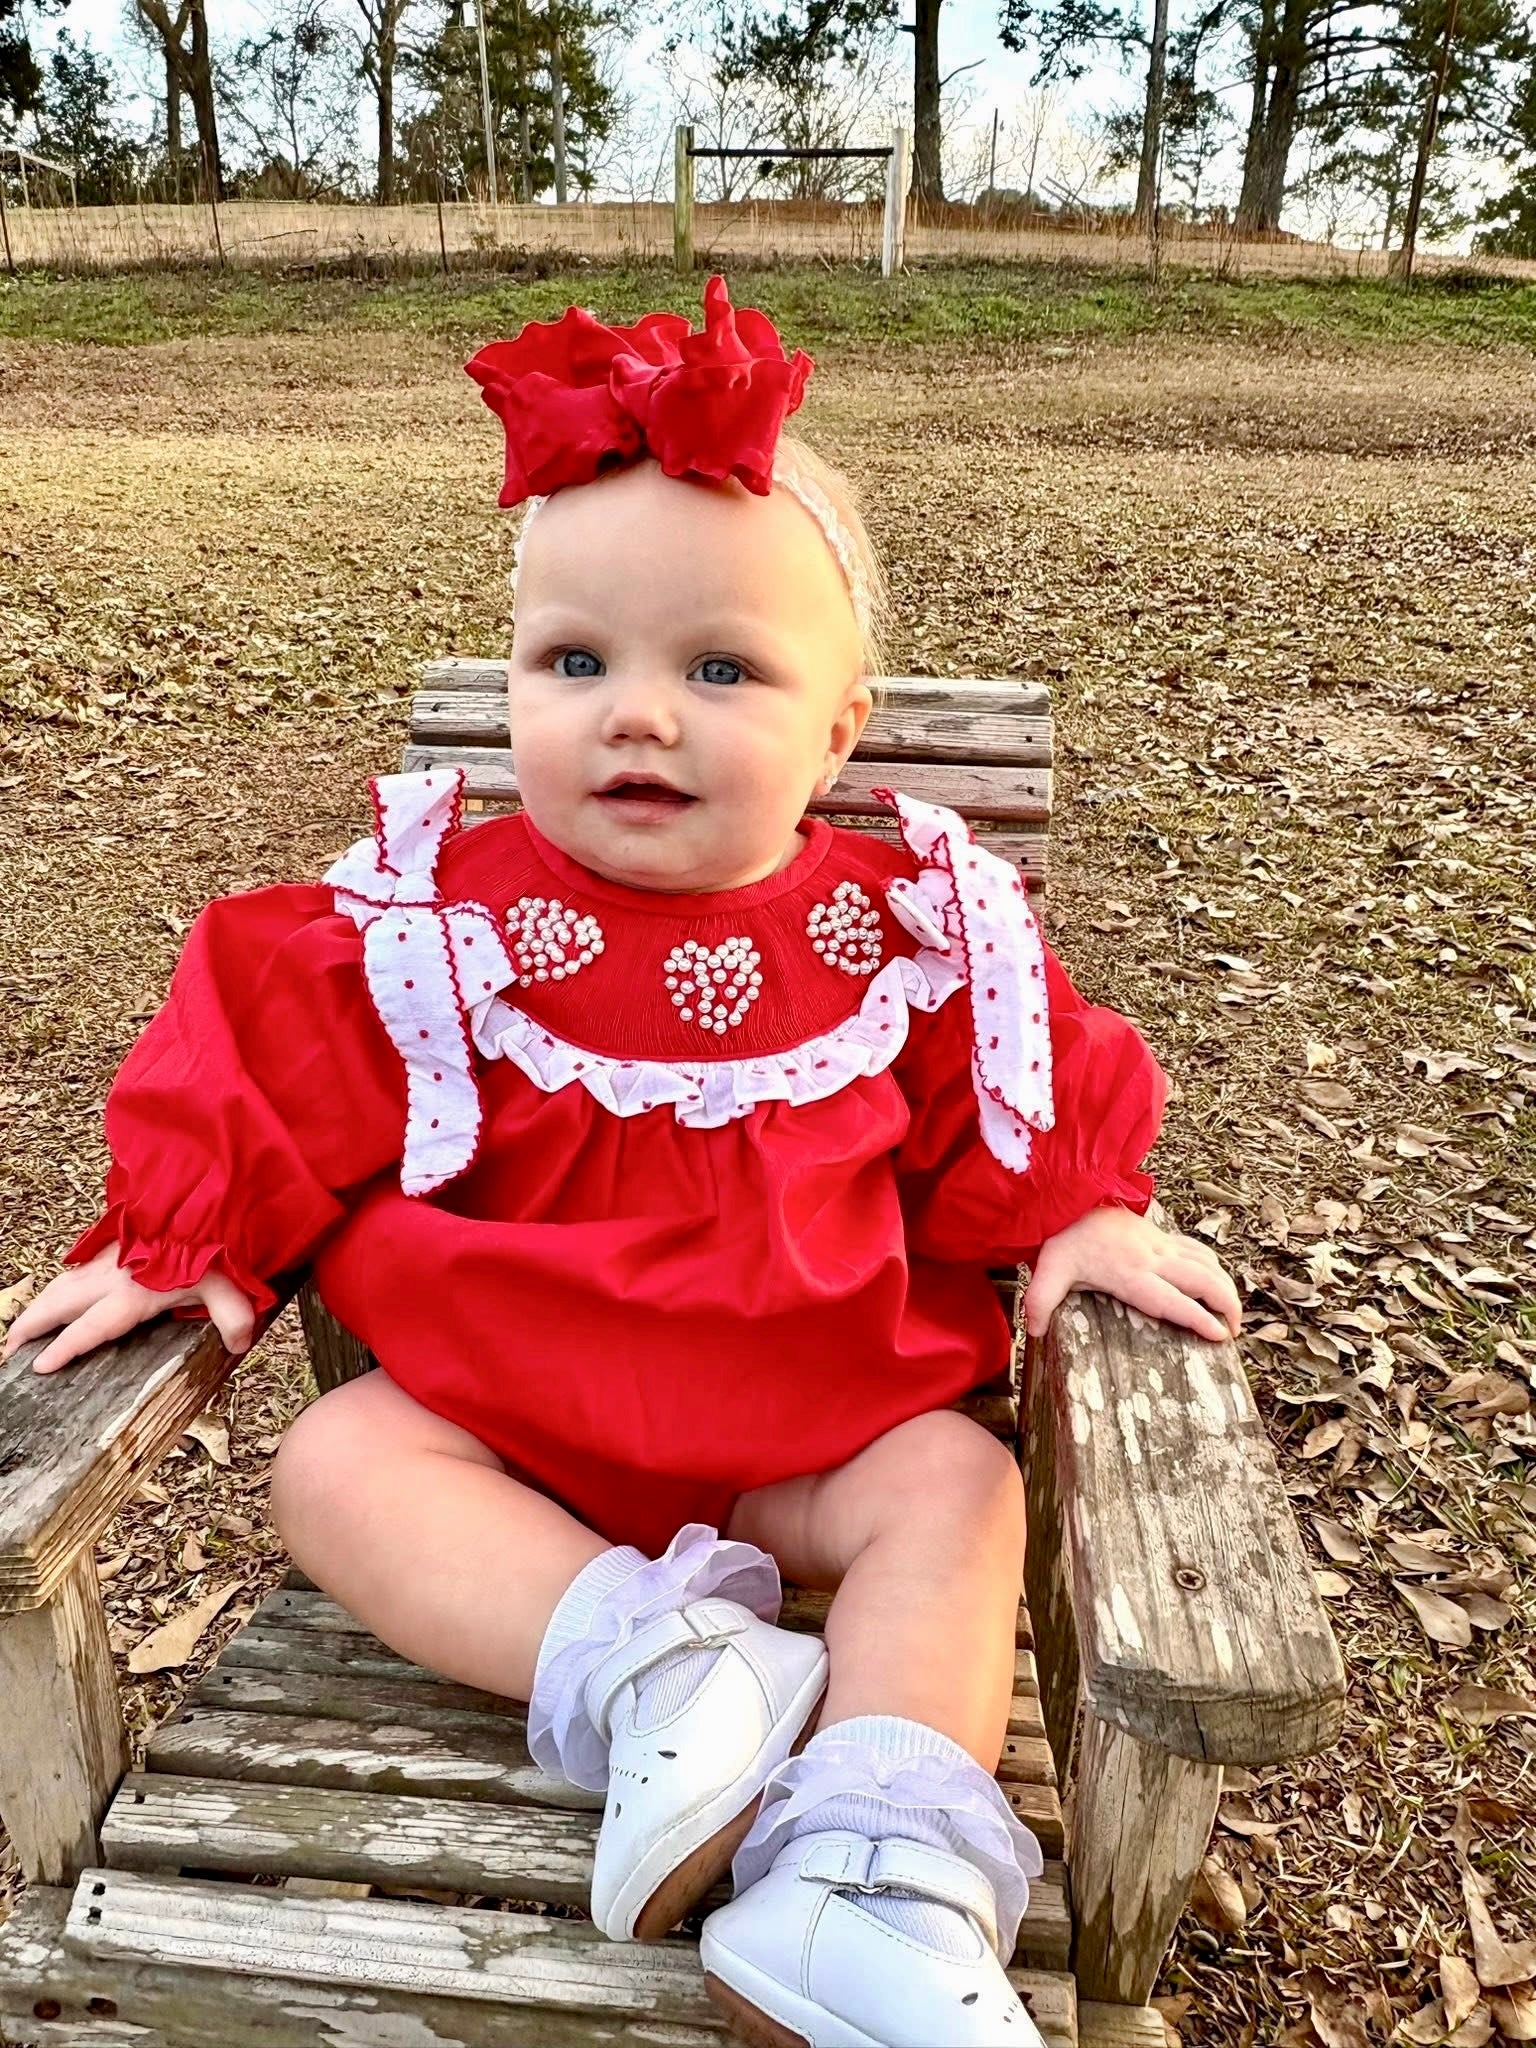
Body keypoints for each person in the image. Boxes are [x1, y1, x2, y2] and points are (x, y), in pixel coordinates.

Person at [7, 277, 1240, 2048]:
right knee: (341, 1459)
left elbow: (1011, 1090)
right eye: (574, 661)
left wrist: (1074, 1212)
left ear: (837, 731)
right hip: (518, 1436)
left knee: (957, 1495)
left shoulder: (906, 932)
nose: (634, 715)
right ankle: (671, 1668)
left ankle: (871, 1872)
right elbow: (277, 1058)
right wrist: (186, 1233)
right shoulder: (441, 923)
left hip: (804, 1430)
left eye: (718, 669)